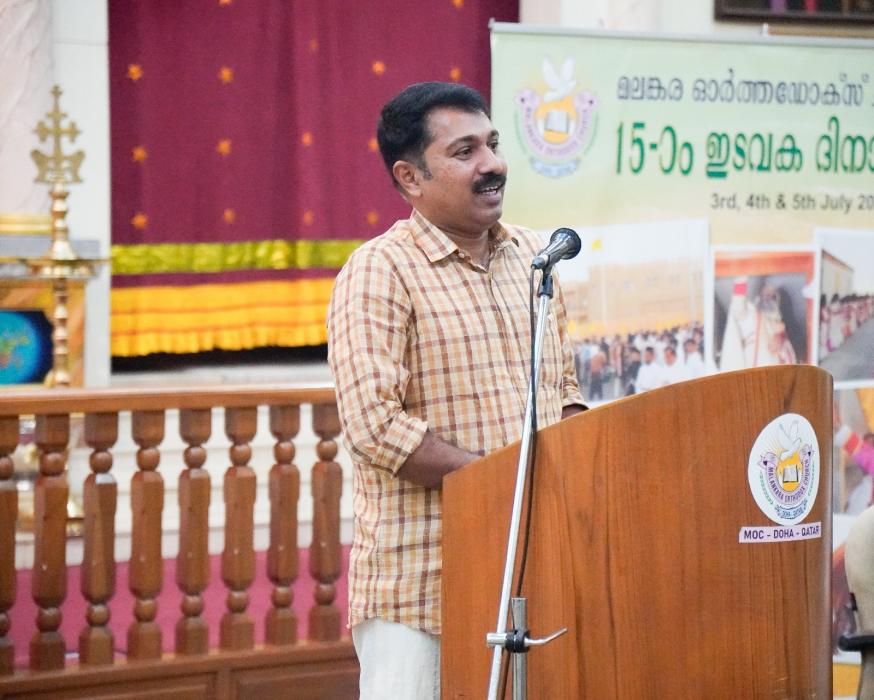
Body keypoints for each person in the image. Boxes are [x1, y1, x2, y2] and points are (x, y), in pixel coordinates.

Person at [326, 82, 586, 700]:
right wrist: (498, 485)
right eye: (465, 151)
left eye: (493, 144)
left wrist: (586, 469)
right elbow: (374, 426)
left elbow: (564, 392)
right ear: (410, 178)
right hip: (423, 591)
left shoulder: (535, 258)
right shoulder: (379, 270)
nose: (493, 164)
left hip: (534, 578)